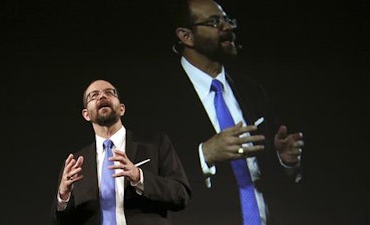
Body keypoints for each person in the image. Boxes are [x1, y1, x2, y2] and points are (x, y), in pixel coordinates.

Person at [128, 0, 305, 225]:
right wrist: (204, 155)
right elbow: (142, 172)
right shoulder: (157, 98)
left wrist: (284, 160)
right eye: (215, 22)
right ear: (186, 36)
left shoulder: (252, 91)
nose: (228, 28)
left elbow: (272, 176)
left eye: (228, 21)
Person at [50, 79, 191, 225]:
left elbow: (181, 195)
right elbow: (60, 222)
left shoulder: (155, 145)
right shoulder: (76, 163)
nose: (102, 97)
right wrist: (63, 196)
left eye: (109, 93)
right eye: (93, 95)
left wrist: (139, 177)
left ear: (122, 109)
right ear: (86, 115)